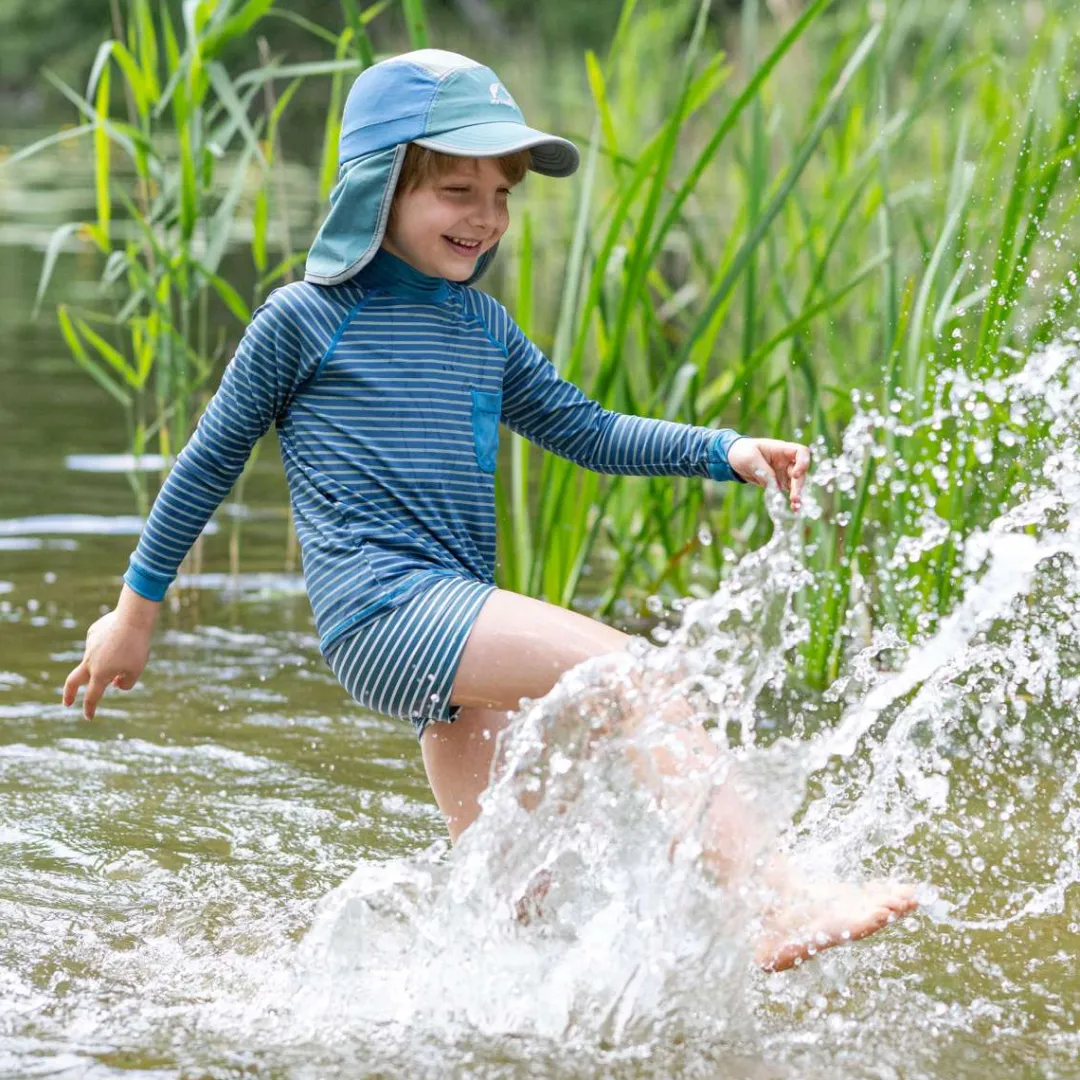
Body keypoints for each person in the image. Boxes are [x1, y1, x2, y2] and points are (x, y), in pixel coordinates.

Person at [62, 49, 915, 970]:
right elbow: (205, 465)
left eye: (502, 193)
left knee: (515, 920)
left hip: (448, 632)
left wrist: (723, 451)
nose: (486, 217)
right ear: (379, 187)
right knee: (631, 675)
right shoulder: (303, 319)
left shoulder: (482, 328)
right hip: (385, 610)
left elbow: (586, 430)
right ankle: (768, 900)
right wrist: (132, 614)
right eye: (456, 190)